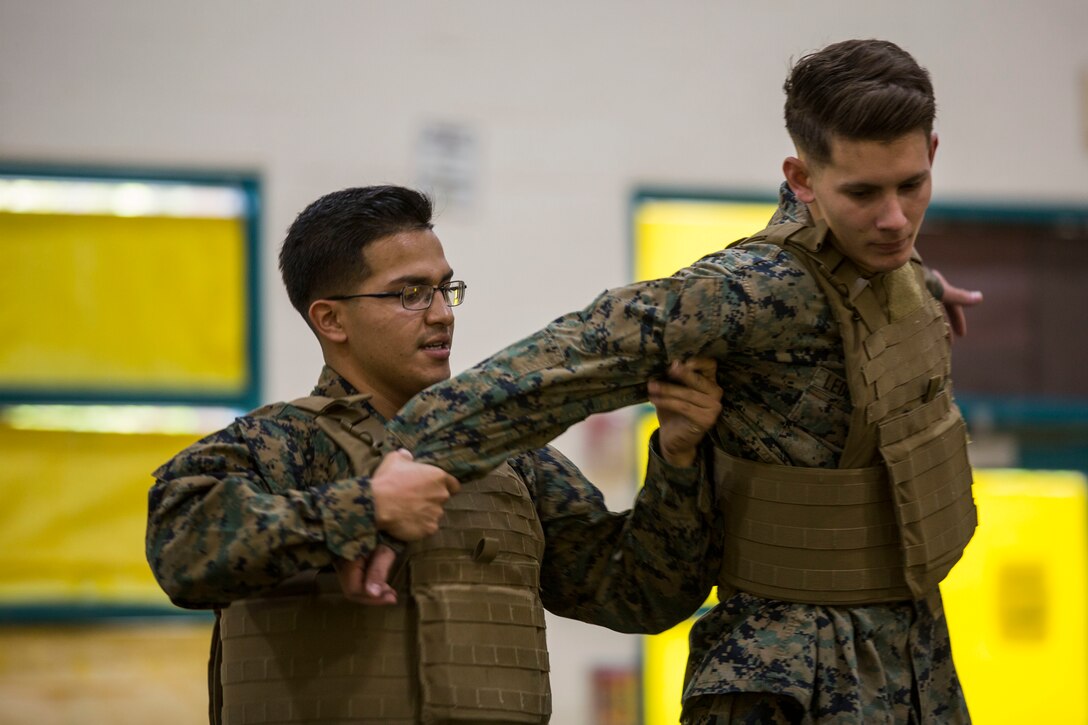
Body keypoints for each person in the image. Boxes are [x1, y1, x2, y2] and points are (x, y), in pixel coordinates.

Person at [387, 39, 982, 723]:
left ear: (932, 153)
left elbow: (873, 275)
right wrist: (395, 465)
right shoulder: (752, 291)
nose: (895, 218)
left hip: (912, 659)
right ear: (802, 178)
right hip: (794, 680)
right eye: (863, 193)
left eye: (911, 185)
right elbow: (561, 363)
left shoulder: (889, 261)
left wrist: (927, 290)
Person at [144, 185, 724, 724]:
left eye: (445, 289)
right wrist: (365, 508)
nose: (443, 313)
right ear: (330, 318)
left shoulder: (510, 455)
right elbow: (183, 553)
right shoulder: (276, 443)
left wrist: (675, 459)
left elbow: (636, 595)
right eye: (410, 293)